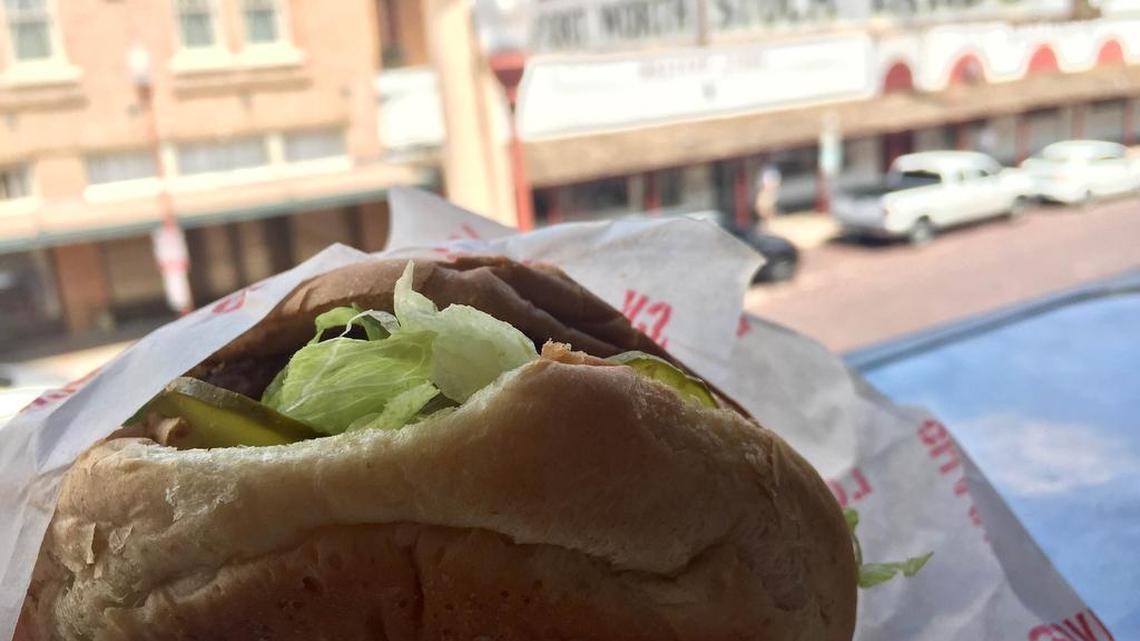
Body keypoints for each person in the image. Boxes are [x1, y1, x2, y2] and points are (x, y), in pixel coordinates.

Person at [754, 163, 782, 228]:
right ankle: (767, 222)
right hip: (766, 190)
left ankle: (770, 221)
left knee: (769, 207)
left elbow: (776, 182)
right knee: (762, 207)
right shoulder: (764, 170)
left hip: (770, 191)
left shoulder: (772, 170)